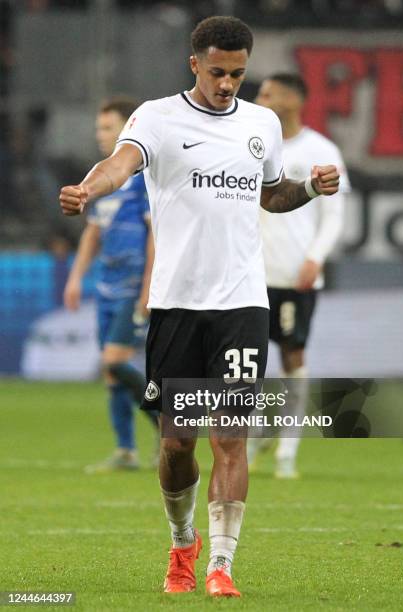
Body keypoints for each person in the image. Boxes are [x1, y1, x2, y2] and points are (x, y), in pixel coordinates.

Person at [59, 16, 340, 598]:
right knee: (176, 445)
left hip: (242, 304)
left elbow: (271, 192)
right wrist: (90, 188)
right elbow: (120, 164)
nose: (228, 84)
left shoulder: (261, 123)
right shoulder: (158, 118)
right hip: (177, 306)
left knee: (230, 438)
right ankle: (182, 542)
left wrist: (310, 188)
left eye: (238, 73)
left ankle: (221, 566)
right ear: (195, 64)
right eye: (217, 72)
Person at [248, 73, 350, 478]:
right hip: (249, 275)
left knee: (293, 359)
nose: (259, 98)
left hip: (294, 275)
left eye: (268, 93)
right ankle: (253, 440)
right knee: (246, 365)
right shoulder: (252, 144)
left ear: (292, 100)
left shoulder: (321, 150)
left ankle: (287, 450)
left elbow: (334, 213)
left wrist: (316, 257)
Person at [63, 96, 159, 473]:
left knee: (114, 361)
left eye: (107, 128)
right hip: (106, 285)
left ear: (127, 130)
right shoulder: (100, 179)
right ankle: (125, 451)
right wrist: (75, 277)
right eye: (98, 128)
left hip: (134, 283)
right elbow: (92, 233)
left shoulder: (141, 179)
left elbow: (156, 236)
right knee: (110, 373)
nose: (100, 135)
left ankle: (167, 425)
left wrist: (149, 286)